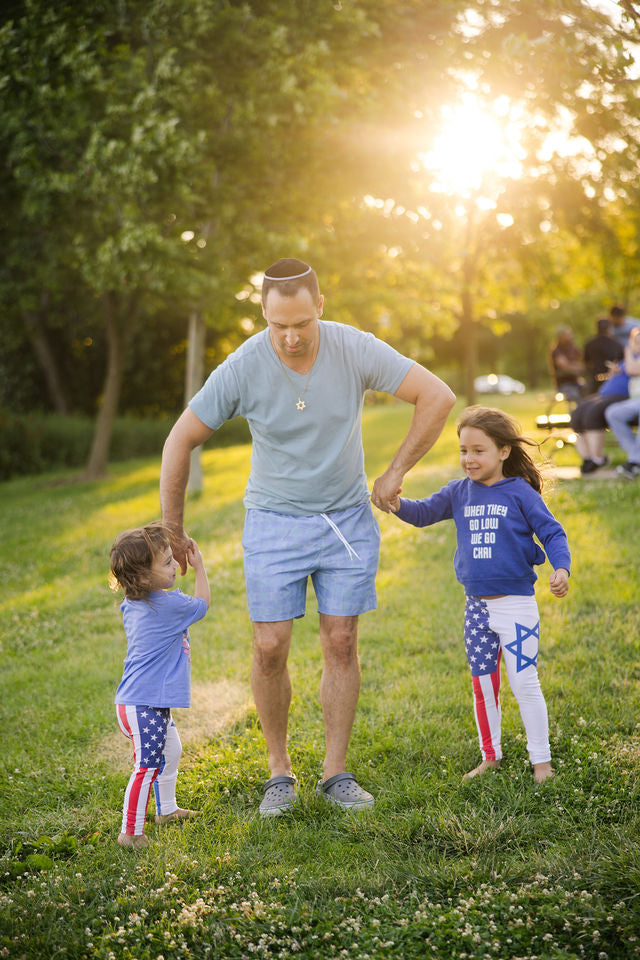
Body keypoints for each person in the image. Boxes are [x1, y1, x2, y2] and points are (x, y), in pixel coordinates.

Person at [160, 257, 455, 816]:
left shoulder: (352, 347)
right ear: (265, 315)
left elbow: (436, 396)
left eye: (301, 323)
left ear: (320, 306)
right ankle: (279, 773)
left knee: (341, 642)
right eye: (278, 326)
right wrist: (172, 531)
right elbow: (180, 440)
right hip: (273, 519)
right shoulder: (244, 365)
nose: (291, 338)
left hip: (345, 517)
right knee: (269, 647)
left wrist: (395, 473)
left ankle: (335, 773)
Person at [377, 405, 570, 784]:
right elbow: (423, 513)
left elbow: (553, 533)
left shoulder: (519, 493)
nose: (468, 459)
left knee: (523, 683)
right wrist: (398, 504)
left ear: (503, 451)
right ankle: (490, 757)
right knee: (483, 685)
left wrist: (561, 568)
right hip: (476, 610)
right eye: (463, 450)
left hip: (515, 608)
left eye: (478, 450)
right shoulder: (458, 492)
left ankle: (542, 764)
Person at [110, 522, 210, 849]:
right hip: (144, 705)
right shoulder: (166, 606)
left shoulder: (134, 603)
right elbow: (203, 604)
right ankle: (131, 833)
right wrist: (198, 568)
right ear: (142, 578)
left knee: (171, 750)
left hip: (139, 702)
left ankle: (166, 810)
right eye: (167, 563)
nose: (174, 566)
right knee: (147, 767)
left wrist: (165, 571)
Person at [570, 348, 632, 474]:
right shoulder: (625, 359)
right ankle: (588, 459)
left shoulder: (633, 361)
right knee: (577, 413)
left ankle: (598, 459)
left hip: (622, 394)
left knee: (593, 413)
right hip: (603, 394)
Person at [605, 327, 640, 479]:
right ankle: (635, 456)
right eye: (636, 342)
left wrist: (628, 349)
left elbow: (633, 369)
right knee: (613, 412)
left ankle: (634, 462)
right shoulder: (633, 357)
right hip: (635, 401)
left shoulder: (631, 356)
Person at [583, 317, 623, 395]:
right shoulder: (617, 344)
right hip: (612, 380)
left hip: (595, 381)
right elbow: (622, 363)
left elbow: (586, 363)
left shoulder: (589, 344)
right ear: (609, 328)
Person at [549, 326, 584, 403]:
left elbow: (584, 361)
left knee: (590, 392)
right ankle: (576, 414)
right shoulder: (556, 351)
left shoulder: (573, 347)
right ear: (561, 336)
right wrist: (576, 366)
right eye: (568, 334)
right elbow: (564, 366)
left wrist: (574, 365)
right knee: (575, 396)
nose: (571, 336)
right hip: (564, 384)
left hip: (576, 382)